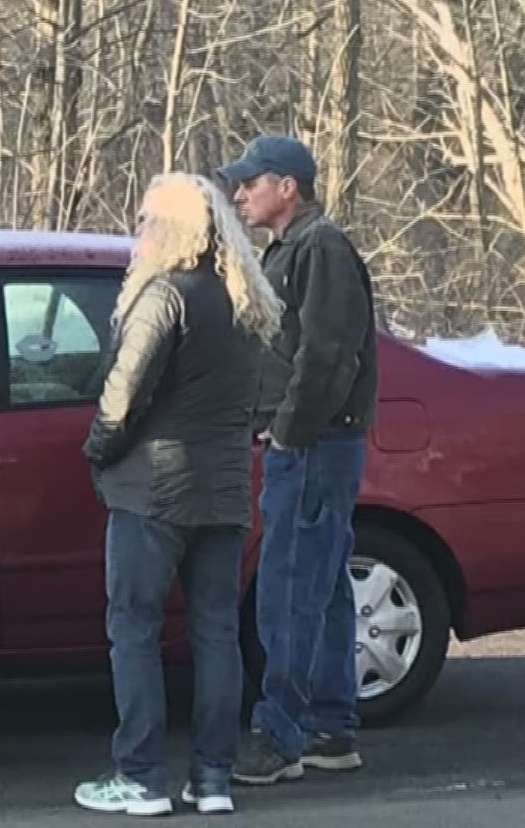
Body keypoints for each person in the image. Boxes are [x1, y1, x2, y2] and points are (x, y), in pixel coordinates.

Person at [71, 173, 282, 817]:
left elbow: (124, 392)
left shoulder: (166, 295)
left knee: (133, 629)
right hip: (223, 490)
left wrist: (98, 450)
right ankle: (214, 777)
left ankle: (140, 776)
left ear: (171, 229)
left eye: (144, 221)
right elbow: (257, 401)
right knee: (216, 632)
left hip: (153, 489)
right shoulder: (246, 301)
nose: (136, 233)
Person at [218, 136, 379, 786]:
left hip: (314, 445)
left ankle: (280, 734)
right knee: (324, 584)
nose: (240, 194)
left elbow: (327, 354)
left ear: (288, 187)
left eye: (251, 183)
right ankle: (330, 728)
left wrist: (288, 431)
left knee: (288, 589)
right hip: (310, 443)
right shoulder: (290, 251)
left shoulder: (321, 248)